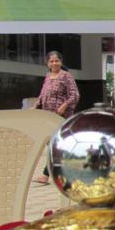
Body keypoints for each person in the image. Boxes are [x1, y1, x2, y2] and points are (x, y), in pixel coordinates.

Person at [33, 50, 80, 184]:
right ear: (47, 63)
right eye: (51, 61)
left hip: (61, 117)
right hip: (48, 116)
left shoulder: (66, 76)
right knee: (55, 145)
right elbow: (43, 94)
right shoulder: (48, 76)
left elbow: (75, 95)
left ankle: (46, 174)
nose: (54, 63)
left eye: (56, 61)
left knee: (57, 145)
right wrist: (35, 105)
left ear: (61, 62)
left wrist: (64, 106)